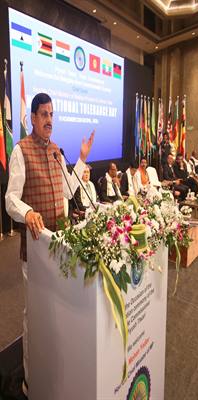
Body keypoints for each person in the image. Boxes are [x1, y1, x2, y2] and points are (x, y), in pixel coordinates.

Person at [4, 92, 95, 395]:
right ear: (32, 118)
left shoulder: (56, 151)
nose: (49, 120)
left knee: (57, 314)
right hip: (35, 252)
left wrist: (81, 158)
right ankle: (31, 380)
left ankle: (55, 373)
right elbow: (10, 199)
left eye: (52, 114)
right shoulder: (21, 150)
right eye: (44, 114)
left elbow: (67, 191)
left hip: (60, 248)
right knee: (35, 317)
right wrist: (28, 212)